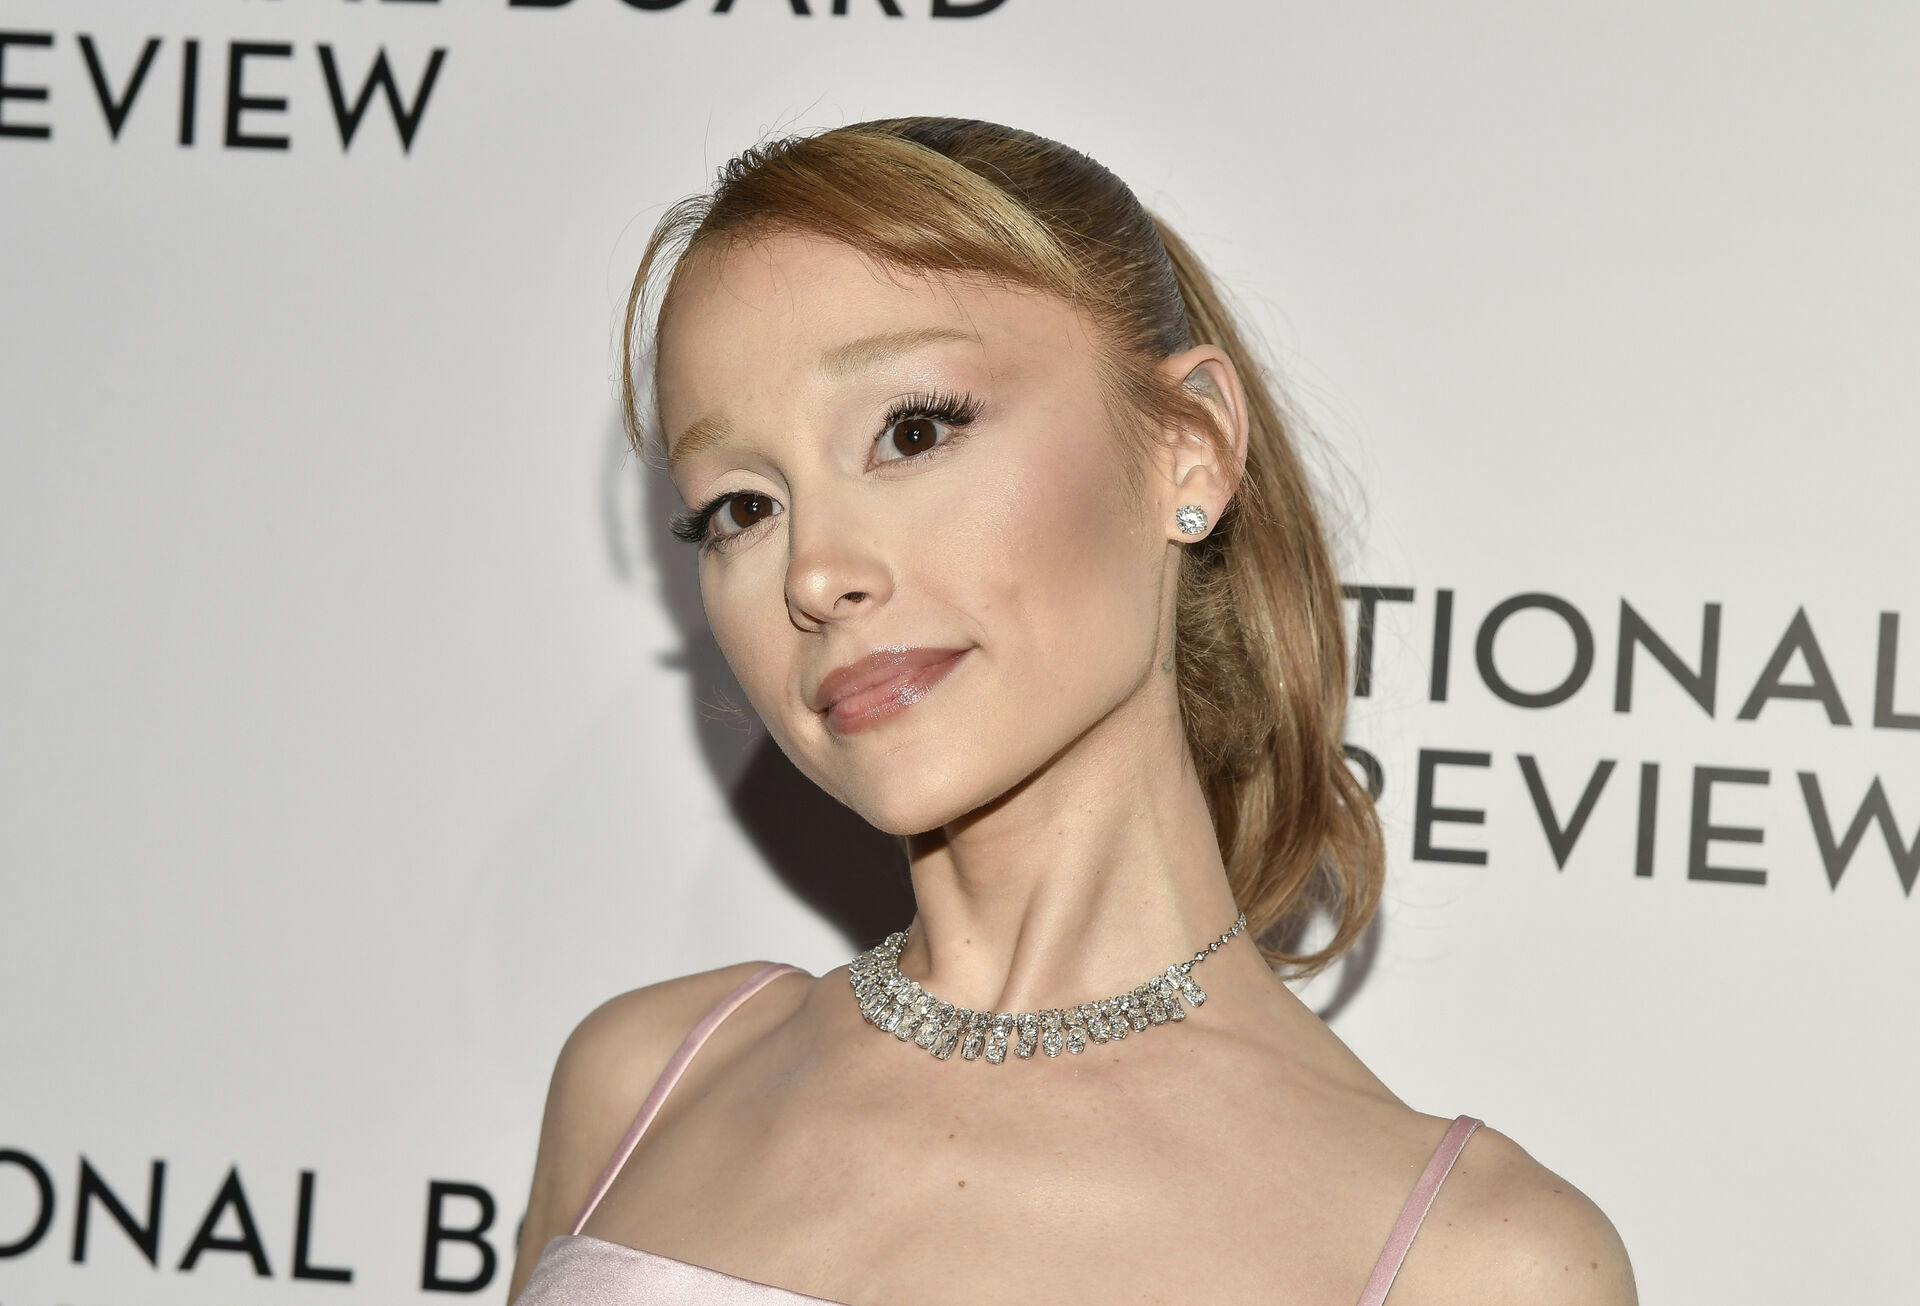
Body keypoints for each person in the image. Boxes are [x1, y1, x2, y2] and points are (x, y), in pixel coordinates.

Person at [506, 116, 1637, 1305]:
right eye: (740, 506)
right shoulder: (647, 1084)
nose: (813, 572)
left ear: (1188, 450)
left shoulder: (1475, 1261)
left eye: (912, 430)